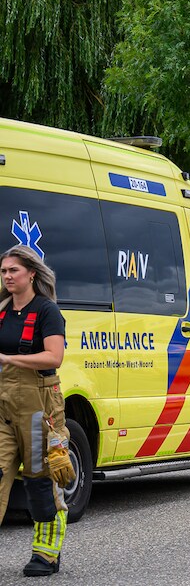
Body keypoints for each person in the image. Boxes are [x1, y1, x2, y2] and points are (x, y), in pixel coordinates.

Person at [0, 245, 75, 576]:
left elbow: (54, 357)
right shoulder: (1, 310)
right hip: (3, 405)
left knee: (40, 480)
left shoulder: (46, 311)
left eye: (13, 270)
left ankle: (45, 554)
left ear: (32, 273)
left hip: (38, 409)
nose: (7, 276)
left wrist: (9, 359)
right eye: (3, 271)